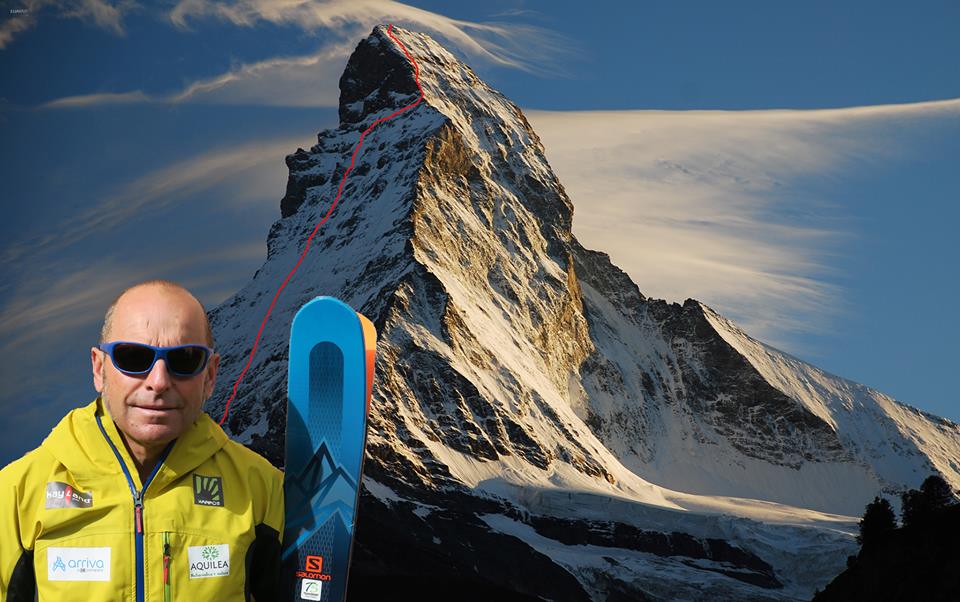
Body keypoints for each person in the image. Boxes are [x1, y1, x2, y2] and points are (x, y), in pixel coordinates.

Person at [0, 280, 283, 601]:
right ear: (98, 368)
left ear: (210, 376)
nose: (159, 381)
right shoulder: (18, 494)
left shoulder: (261, 490)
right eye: (133, 357)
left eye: (184, 360)